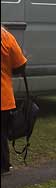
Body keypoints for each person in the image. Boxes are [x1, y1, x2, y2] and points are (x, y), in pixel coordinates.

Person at [1, 26, 28, 174]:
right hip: (4, 97)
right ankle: (4, 165)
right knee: (2, 134)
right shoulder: (6, 35)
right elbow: (20, 65)